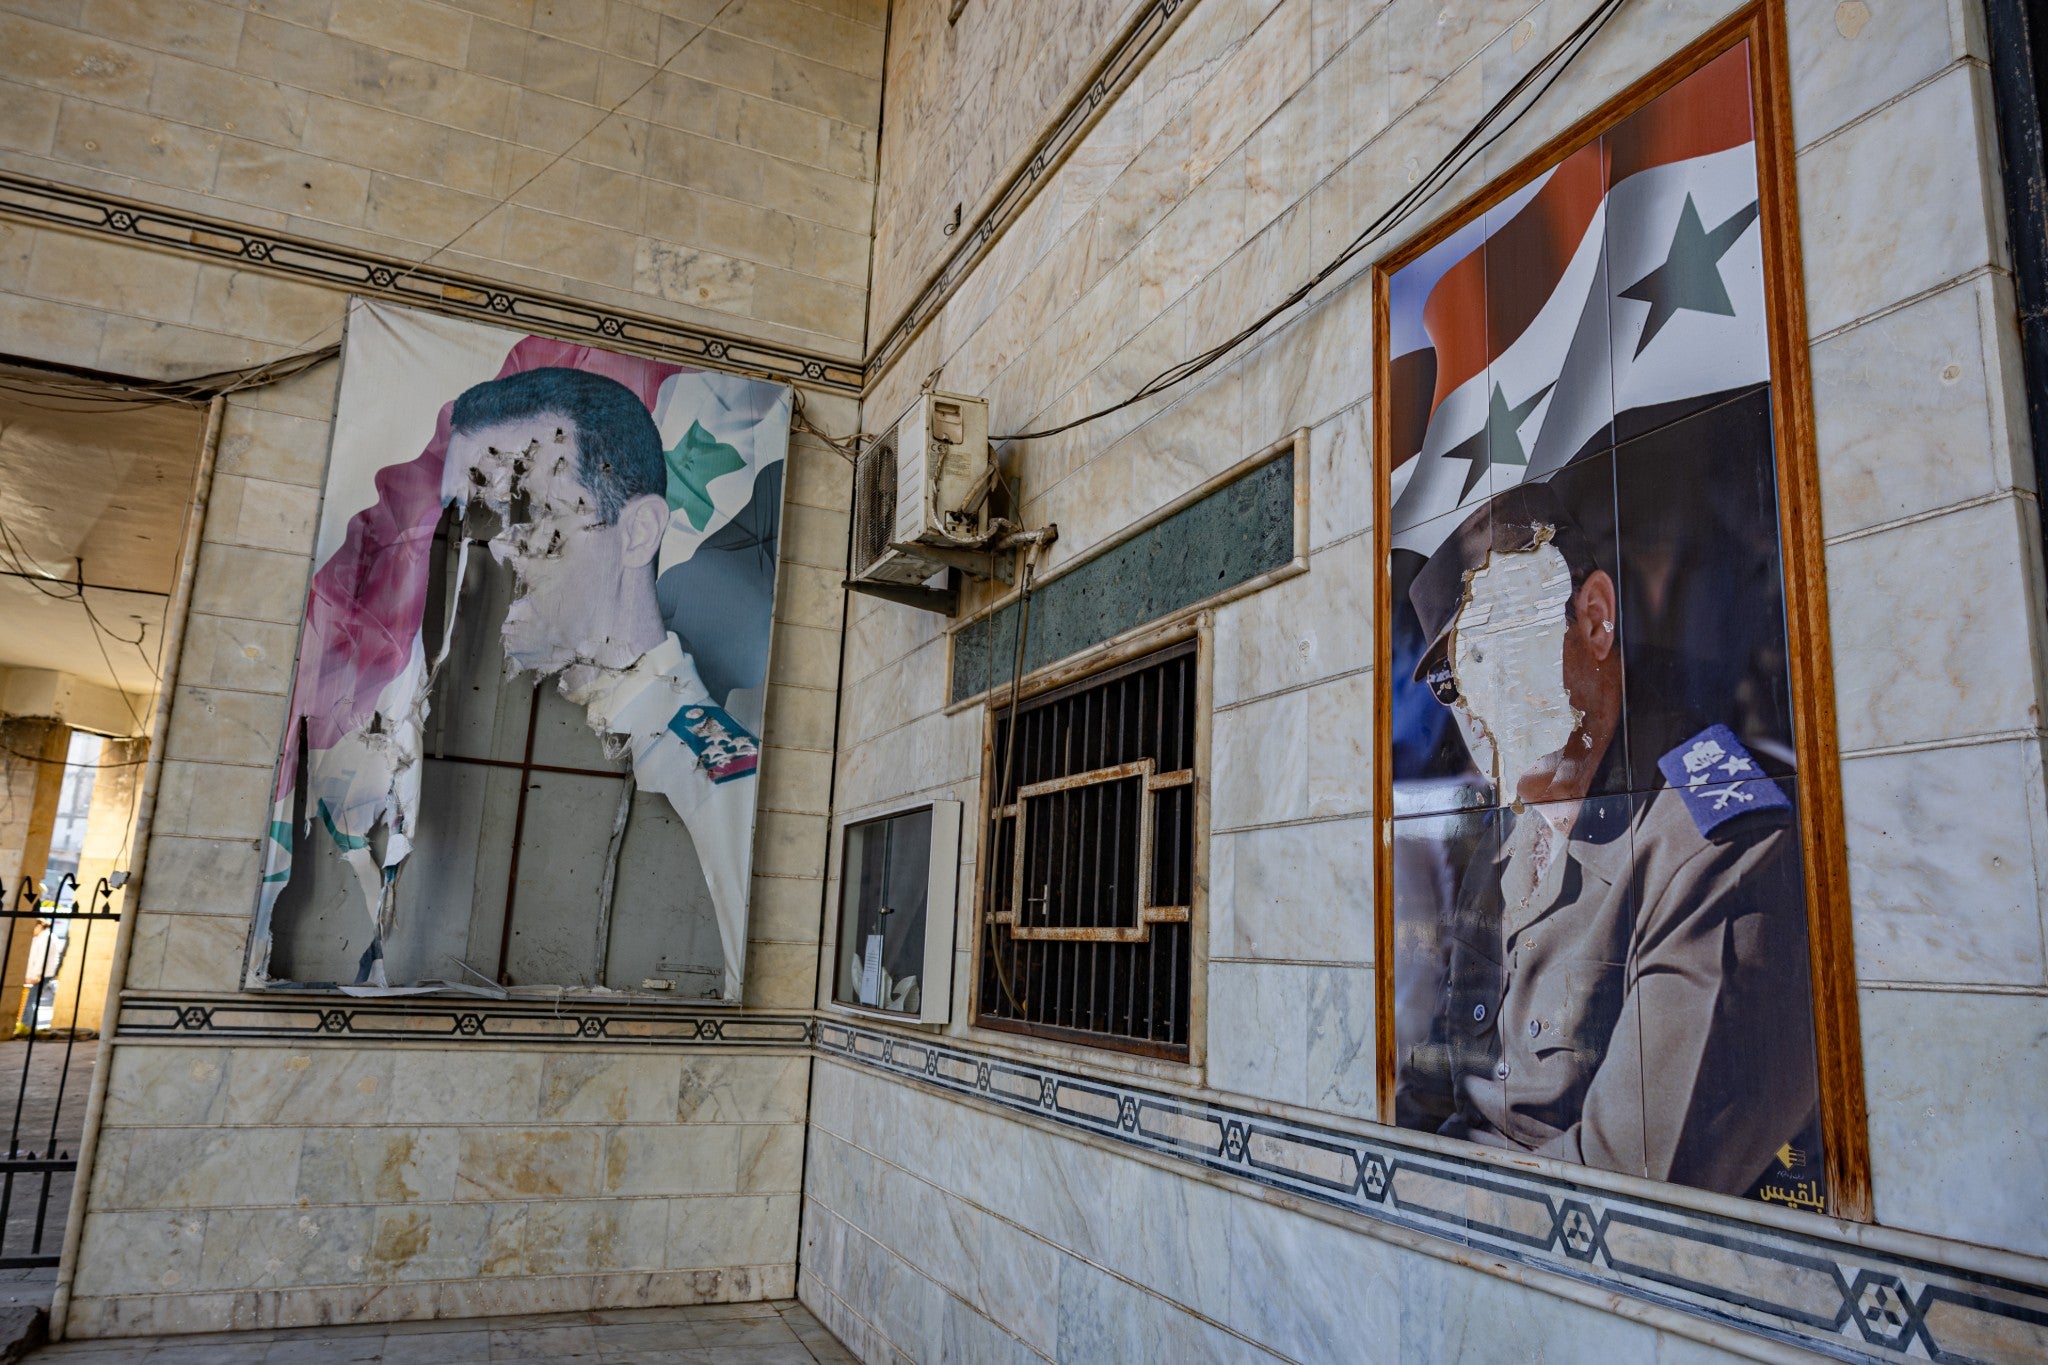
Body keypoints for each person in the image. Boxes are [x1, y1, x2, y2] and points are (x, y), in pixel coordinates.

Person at [1394, 480, 1822, 1200]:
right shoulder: (1507, 848)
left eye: (1506, 636)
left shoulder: (1717, 844)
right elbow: (1432, 1093)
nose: (1480, 696)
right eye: (1455, 675)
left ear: (1594, 618)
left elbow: (1634, 1195)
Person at [442, 368, 760, 998]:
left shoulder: (722, 778)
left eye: (532, 518)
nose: (498, 555)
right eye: (476, 521)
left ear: (638, 533)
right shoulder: (541, 732)